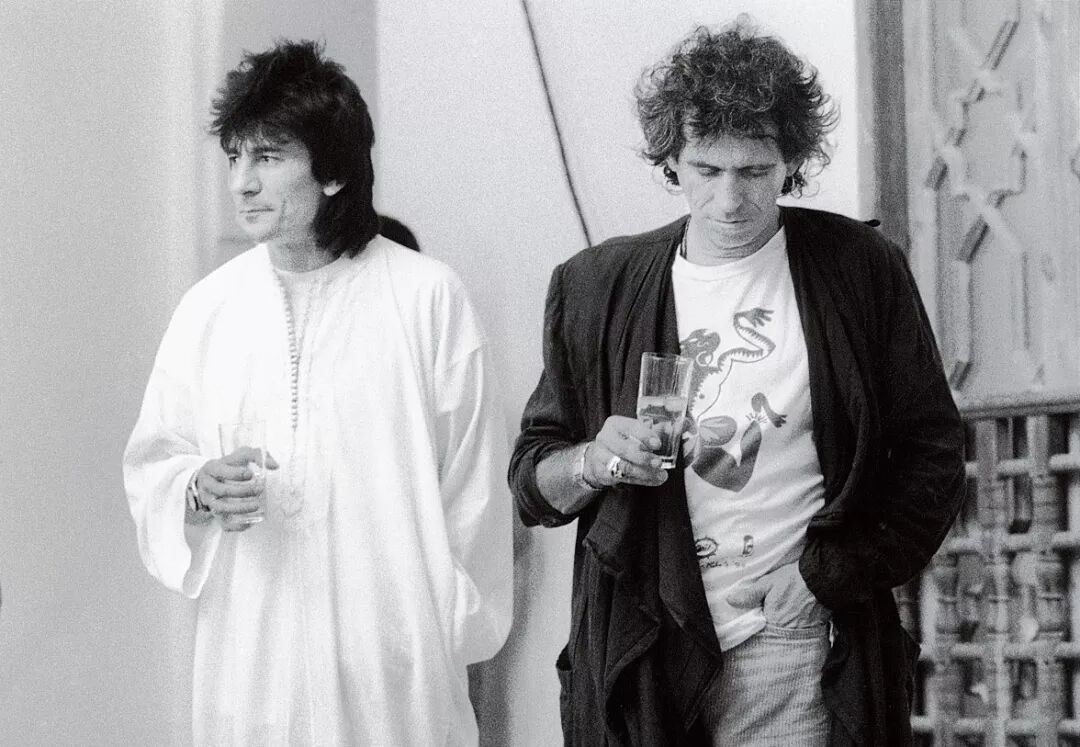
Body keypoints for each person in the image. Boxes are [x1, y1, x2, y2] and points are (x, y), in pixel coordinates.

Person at [509, 19, 966, 746]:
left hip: (792, 638)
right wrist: (596, 461)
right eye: (706, 169)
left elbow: (931, 456)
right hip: (645, 649)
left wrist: (826, 577)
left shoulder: (858, 269)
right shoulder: (596, 287)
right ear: (671, 161)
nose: (729, 199)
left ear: (792, 162)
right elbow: (533, 484)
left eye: (754, 171)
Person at [124, 40, 512, 745]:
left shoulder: (427, 297)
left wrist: (423, 636)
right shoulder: (208, 309)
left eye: (268, 157)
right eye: (235, 157)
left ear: (333, 171)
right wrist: (197, 488)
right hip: (252, 668)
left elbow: (476, 497)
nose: (242, 182)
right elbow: (154, 463)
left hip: (394, 683)